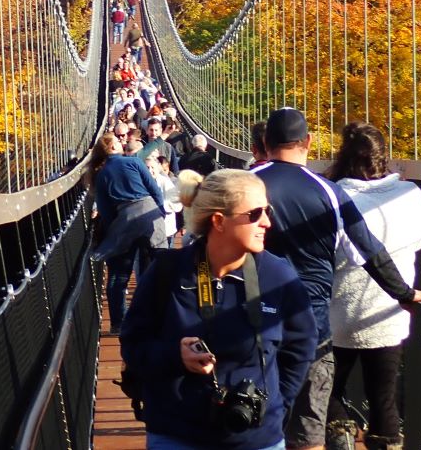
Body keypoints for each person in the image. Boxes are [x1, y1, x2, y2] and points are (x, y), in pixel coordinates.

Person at [253, 108, 421, 450]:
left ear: (264, 142)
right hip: (312, 326)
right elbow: (368, 251)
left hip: (252, 320)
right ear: (307, 142)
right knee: (310, 426)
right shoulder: (329, 192)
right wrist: (405, 293)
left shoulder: (244, 184)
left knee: (251, 416)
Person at [120, 169, 317, 450]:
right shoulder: (167, 272)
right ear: (218, 221)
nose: (267, 222)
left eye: (267, 211)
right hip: (177, 433)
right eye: (254, 214)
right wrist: (175, 356)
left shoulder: (279, 277)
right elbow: (133, 344)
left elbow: (301, 347)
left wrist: (274, 404)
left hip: (254, 437)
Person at [323, 123, 421, 450]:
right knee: (384, 399)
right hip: (388, 313)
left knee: (327, 388)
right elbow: (419, 241)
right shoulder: (411, 194)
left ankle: (341, 434)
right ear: (384, 156)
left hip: (339, 313)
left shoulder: (334, 194)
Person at [92, 133, 167, 335]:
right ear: (114, 147)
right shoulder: (133, 162)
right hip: (150, 214)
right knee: (161, 268)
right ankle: (160, 317)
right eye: (117, 141)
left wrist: (113, 231)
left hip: (124, 220)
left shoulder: (101, 174)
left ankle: (118, 323)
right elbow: (154, 189)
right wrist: (160, 212)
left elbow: (106, 210)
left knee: (118, 275)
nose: (121, 142)